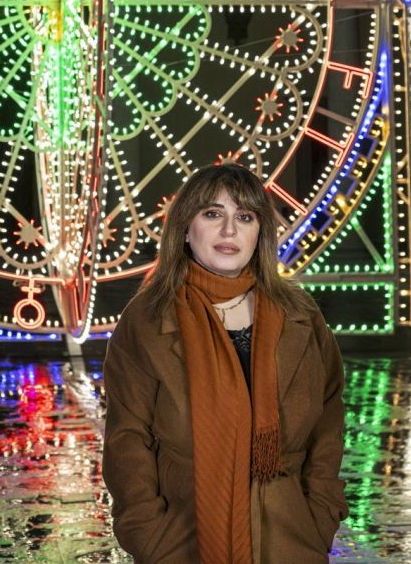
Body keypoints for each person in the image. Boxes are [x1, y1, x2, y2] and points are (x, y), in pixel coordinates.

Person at [102, 162, 347, 564]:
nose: (230, 230)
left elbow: (328, 422)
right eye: (213, 214)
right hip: (184, 538)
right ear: (185, 228)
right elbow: (127, 439)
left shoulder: (300, 316)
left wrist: (320, 517)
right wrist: (147, 534)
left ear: (260, 233)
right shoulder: (147, 319)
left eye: (245, 217)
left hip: (291, 537)